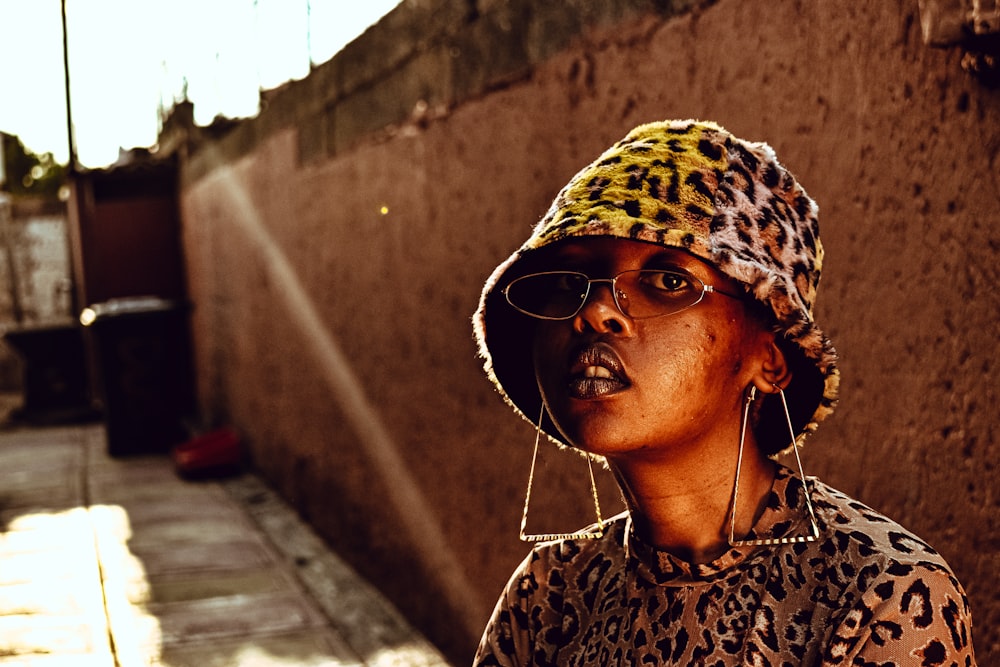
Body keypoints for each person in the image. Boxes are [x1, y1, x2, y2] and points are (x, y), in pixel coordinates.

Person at [471, 120, 976, 665]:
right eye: (570, 283)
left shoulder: (881, 596)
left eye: (669, 281)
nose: (596, 312)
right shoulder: (548, 593)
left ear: (769, 360)